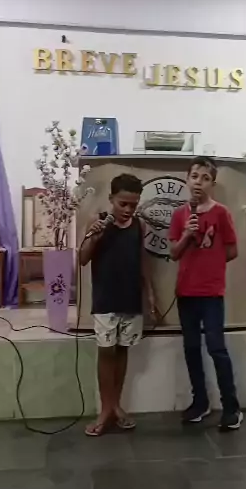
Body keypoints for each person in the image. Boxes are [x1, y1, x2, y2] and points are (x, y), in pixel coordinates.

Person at [169, 156, 243, 430]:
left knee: (216, 348)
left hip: (211, 292)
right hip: (185, 292)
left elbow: (232, 250)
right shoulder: (179, 215)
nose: (198, 182)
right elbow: (173, 253)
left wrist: (210, 265)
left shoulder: (221, 213)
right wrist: (187, 235)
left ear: (212, 183)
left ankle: (231, 407)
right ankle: (200, 402)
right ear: (187, 179)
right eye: (194, 176)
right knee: (191, 348)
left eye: (205, 178)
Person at [79, 173, 155, 436]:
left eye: (133, 204)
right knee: (106, 351)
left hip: (130, 297)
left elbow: (143, 261)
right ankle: (105, 409)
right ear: (111, 199)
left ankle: (116, 406)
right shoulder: (98, 221)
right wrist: (94, 237)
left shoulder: (139, 226)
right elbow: (82, 259)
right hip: (105, 298)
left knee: (122, 350)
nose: (128, 210)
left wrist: (150, 294)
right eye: (123, 204)